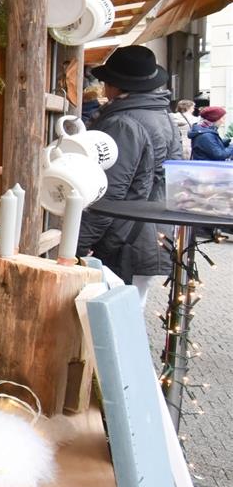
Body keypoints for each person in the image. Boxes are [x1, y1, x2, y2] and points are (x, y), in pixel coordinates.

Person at [77, 46, 182, 303]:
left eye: (105, 81)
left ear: (116, 85)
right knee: (129, 317)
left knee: (111, 325)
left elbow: (107, 193)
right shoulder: (163, 117)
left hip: (124, 240)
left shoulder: (122, 123)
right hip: (153, 234)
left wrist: (76, 244)